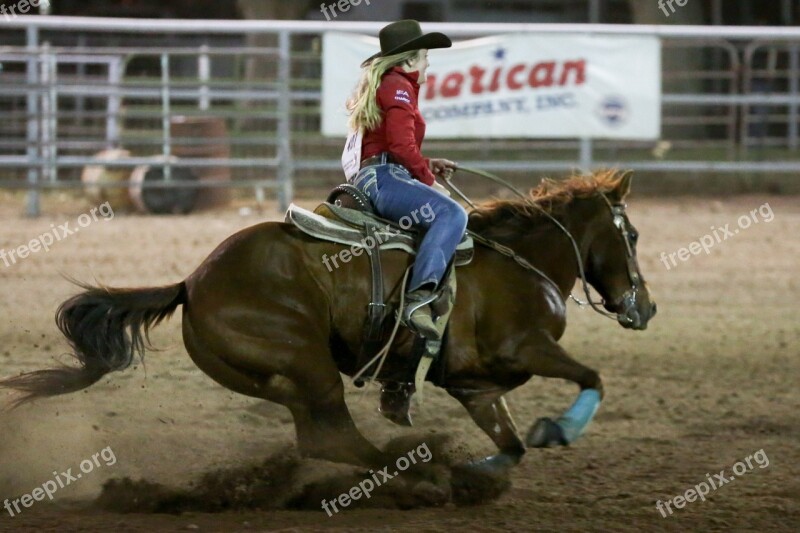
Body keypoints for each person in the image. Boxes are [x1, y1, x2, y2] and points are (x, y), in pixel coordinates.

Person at [343, 19, 468, 424]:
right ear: (411, 59)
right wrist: (429, 180)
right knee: (452, 214)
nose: (429, 65)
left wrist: (427, 165)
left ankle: (399, 373)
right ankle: (419, 300)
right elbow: (399, 146)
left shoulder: (388, 85)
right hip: (384, 178)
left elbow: (394, 146)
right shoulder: (398, 85)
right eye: (427, 57)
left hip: (378, 174)